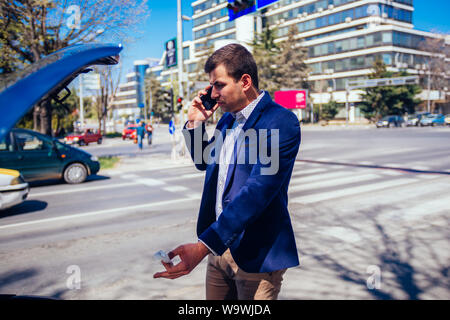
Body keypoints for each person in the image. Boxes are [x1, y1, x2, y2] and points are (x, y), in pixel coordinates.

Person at [153, 44, 301, 300]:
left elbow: (257, 192)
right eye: (211, 85)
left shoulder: (278, 122)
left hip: (256, 256)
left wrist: (203, 247)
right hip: (219, 250)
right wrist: (195, 122)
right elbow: (204, 161)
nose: (213, 93)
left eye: (219, 84)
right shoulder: (227, 120)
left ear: (245, 81)